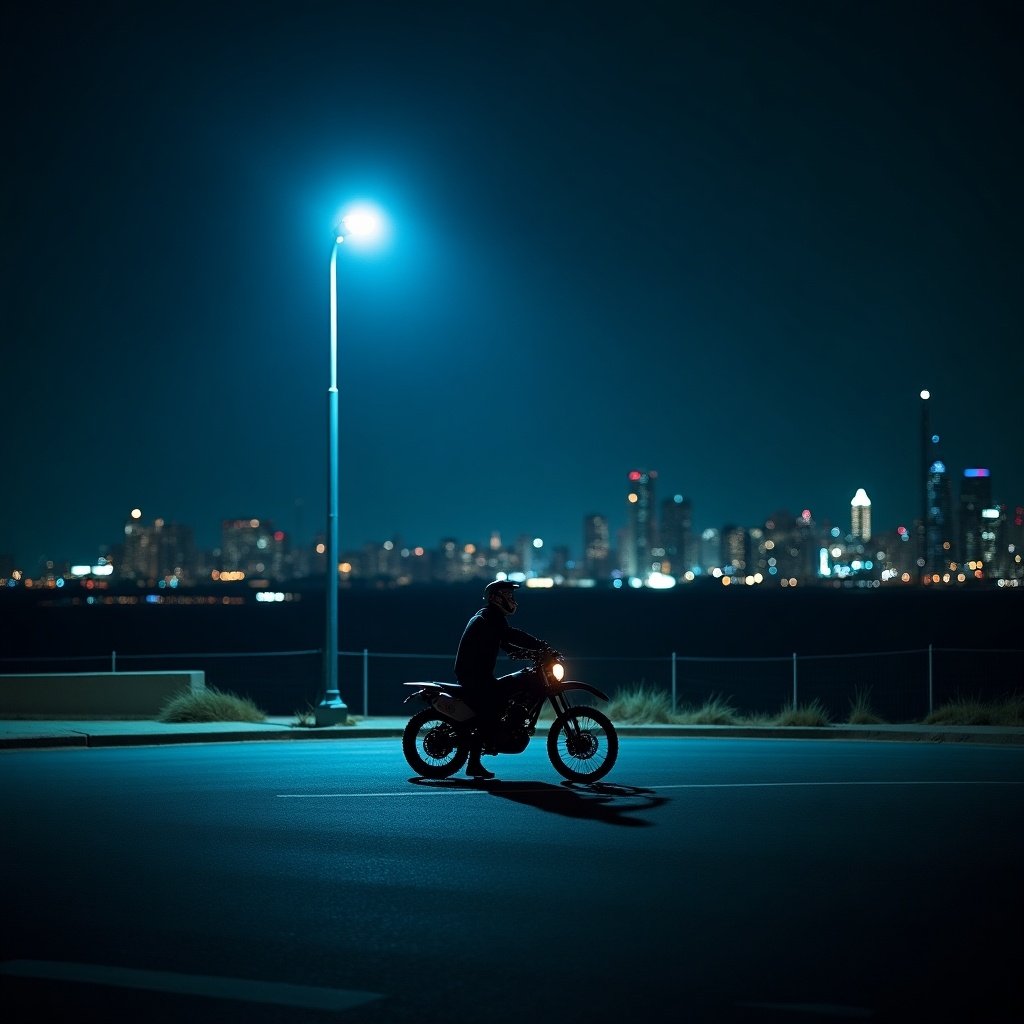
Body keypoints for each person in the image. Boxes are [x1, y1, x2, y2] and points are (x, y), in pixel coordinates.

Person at [454, 579, 553, 779]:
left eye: (511, 596)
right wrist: (540, 646)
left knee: (512, 689)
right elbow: (510, 636)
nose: (511, 599)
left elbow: (505, 643)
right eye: (506, 595)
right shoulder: (489, 617)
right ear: (494, 598)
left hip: (479, 673)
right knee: (491, 707)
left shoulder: (493, 618)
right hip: (473, 675)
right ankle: (473, 763)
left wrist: (529, 653)